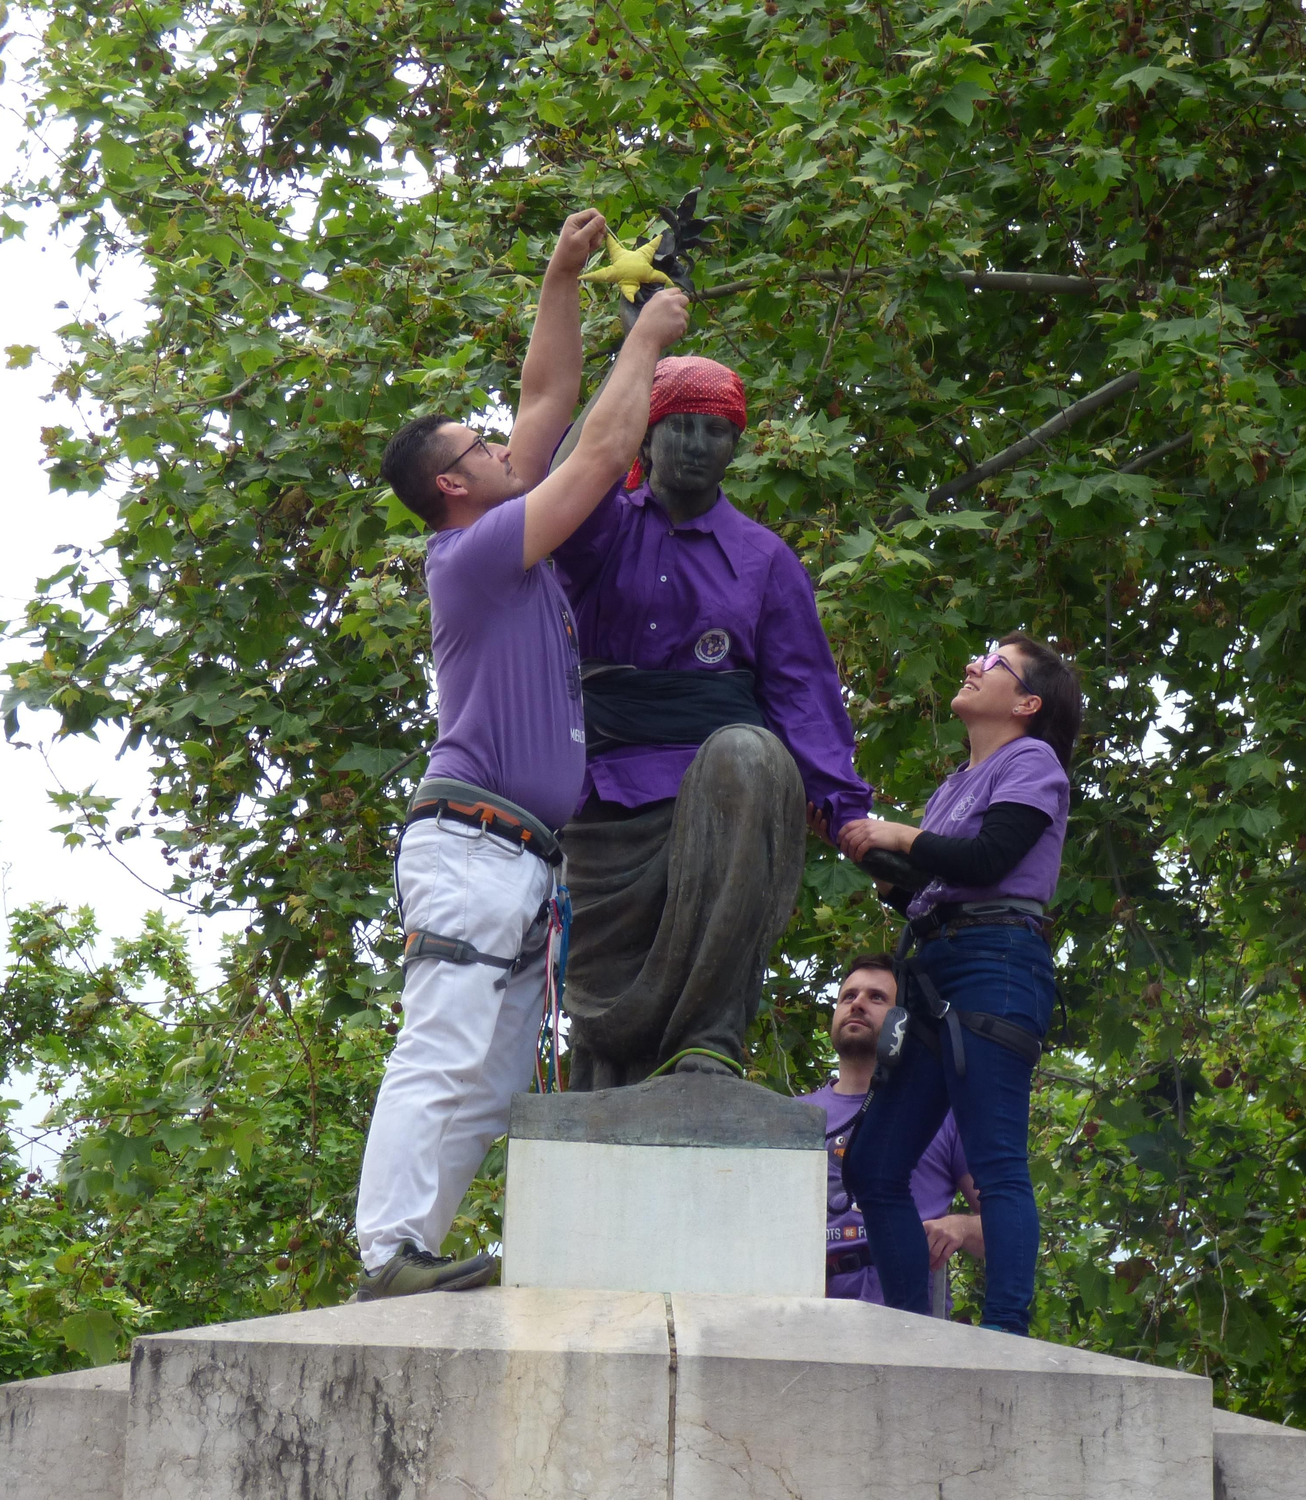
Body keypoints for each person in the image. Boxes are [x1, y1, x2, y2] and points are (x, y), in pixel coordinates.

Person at [353, 208, 691, 1301]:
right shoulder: (478, 550)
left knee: (492, 1080)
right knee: (444, 1051)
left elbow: (546, 403)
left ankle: (412, 1261)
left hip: (519, 858)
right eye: (478, 450)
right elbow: (597, 451)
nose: (500, 449)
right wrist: (649, 335)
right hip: (471, 847)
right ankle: (385, 1253)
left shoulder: (499, 526)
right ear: (452, 487)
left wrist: (562, 275)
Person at [547, 354, 874, 1089]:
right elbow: (566, 475)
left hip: (717, 796)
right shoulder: (598, 527)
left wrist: (844, 808)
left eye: (714, 431)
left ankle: (710, 1038)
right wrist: (632, 357)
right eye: (679, 427)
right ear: (646, 435)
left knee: (749, 756)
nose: (696, 445)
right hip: (601, 792)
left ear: (736, 447)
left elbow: (804, 693)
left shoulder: (765, 559)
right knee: (606, 1042)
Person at [836, 633, 1082, 1333]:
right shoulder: (952, 787)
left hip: (996, 965)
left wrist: (896, 834)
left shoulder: (1032, 760)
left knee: (996, 1158)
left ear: (1028, 702)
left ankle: (1007, 1332)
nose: (974, 665)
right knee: (876, 1166)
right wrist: (862, 848)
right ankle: (913, 1328)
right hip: (936, 969)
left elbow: (987, 858)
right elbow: (929, 880)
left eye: (994, 663)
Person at [801, 952, 982, 1316]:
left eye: (877, 997)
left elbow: (1005, 1224)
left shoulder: (940, 1113)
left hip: (908, 1313)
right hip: (809, 1314)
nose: (858, 1005)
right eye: (847, 997)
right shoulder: (793, 1117)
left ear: (905, 1022)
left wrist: (960, 1226)